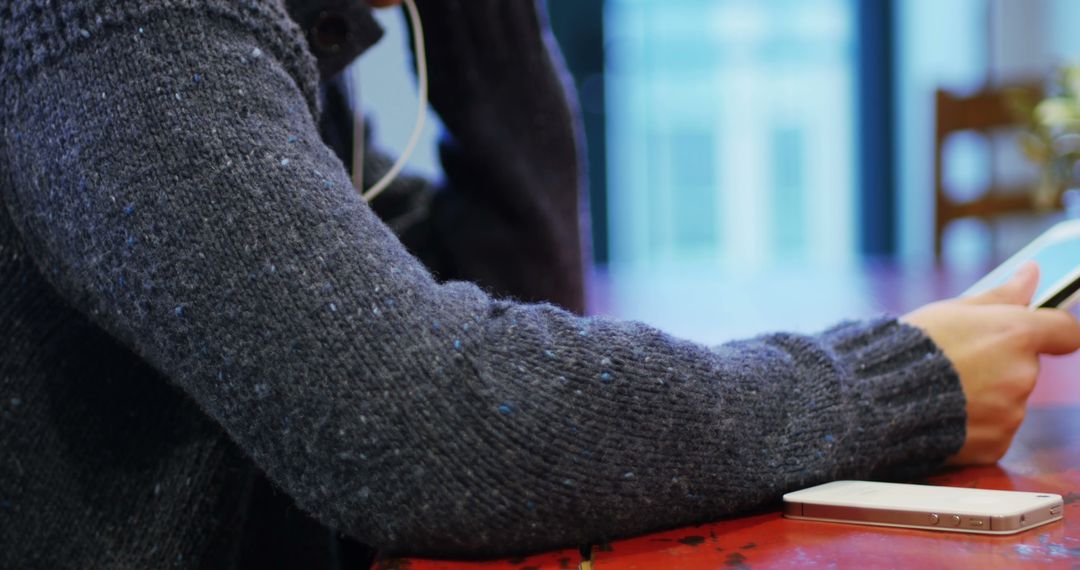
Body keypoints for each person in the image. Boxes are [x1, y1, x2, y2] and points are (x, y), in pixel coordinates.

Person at [0, 0, 1078, 568]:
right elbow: (435, 430)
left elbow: (512, 307)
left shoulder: (268, 41)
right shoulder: (135, 29)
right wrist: (894, 385)